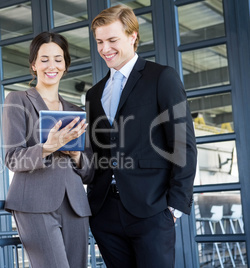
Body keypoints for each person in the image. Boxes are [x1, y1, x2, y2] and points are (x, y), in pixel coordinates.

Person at [85, 4, 197, 267]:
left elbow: (183, 143)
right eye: (100, 41)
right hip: (105, 213)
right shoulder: (93, 94)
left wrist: (175, 207)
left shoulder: (162, 78)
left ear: (133, 36)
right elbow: (99, 152)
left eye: (112, 40)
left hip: (152, 210)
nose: (104, 49)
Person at [2, 31, 94, 268]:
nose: (51, 65)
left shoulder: (75, 110)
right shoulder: (17, 100)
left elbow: (90, 172)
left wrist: (76, 155)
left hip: (75, 205)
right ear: (33, 64)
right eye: (44, 59)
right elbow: (12, 159)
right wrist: (47, 148)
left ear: (65, 65)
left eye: (58, 59)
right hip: (34, 204)